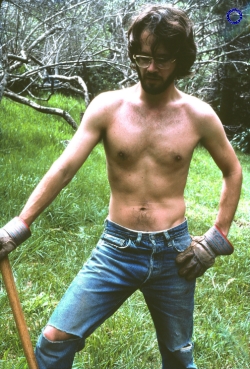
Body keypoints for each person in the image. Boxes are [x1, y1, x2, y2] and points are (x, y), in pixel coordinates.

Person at [0, 4, 242, 369]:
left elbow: (233, 171)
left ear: (180, 58)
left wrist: (215, 239)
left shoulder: (199, 115)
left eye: (162, 59)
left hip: (173, 254)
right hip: (117, 249)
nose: (151, 68)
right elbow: (64, 168)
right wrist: (19, 225)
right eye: (143, 57)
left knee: (178, 357)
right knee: (54, 341)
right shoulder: (108, 107)